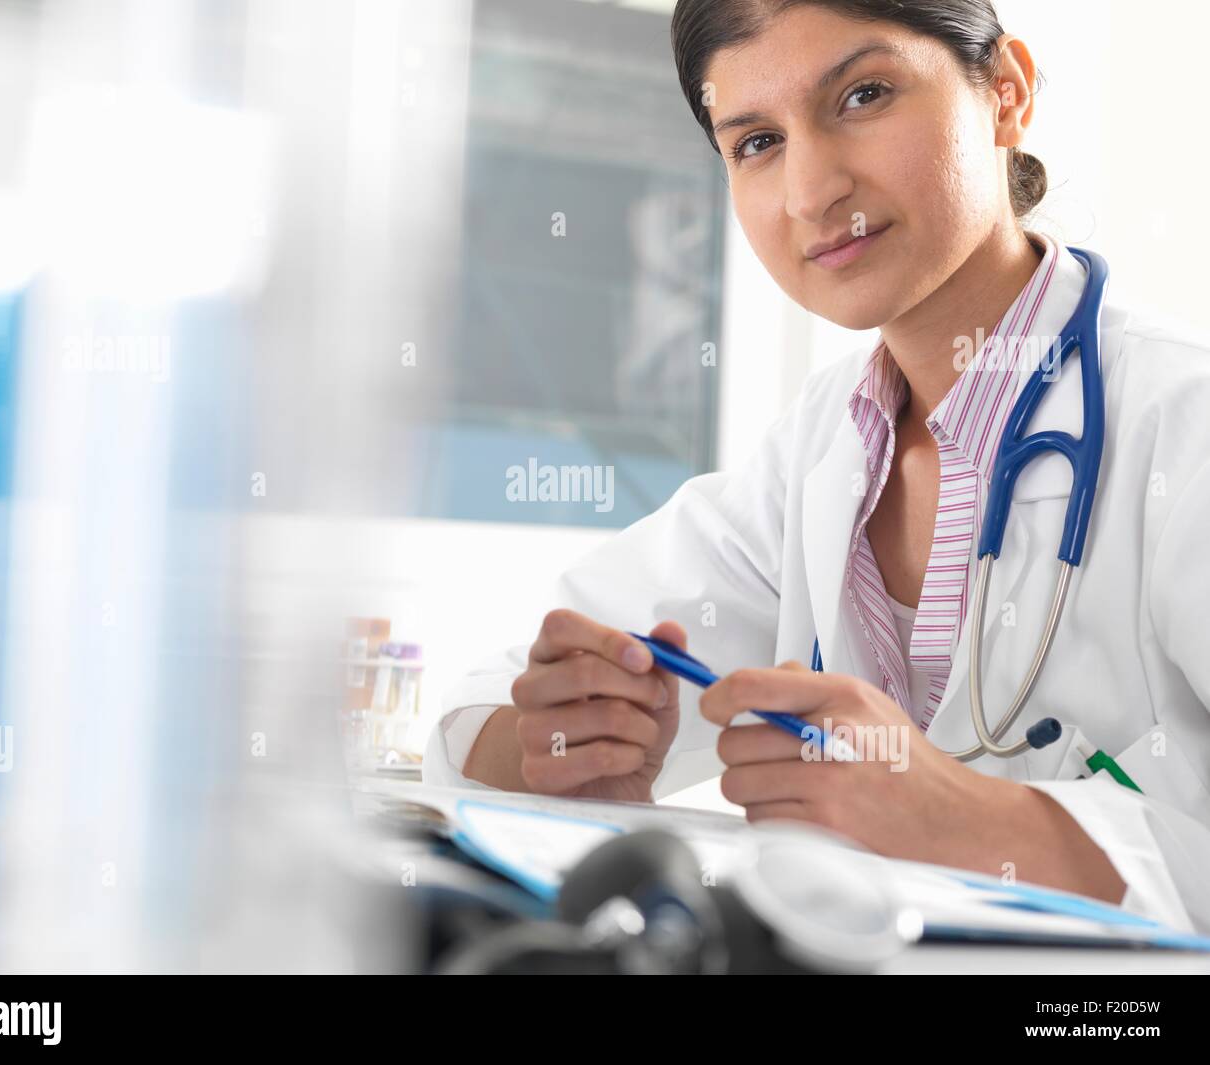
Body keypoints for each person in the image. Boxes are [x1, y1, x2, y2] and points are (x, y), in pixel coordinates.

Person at [422, 0, 1210, 934]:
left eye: (864, 94)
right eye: (754, 142)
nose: (810, 190)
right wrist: (568, 741)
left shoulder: (1178, 425)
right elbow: (484, 712)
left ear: (1006, 93)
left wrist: (965, 820)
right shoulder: (822, 452)